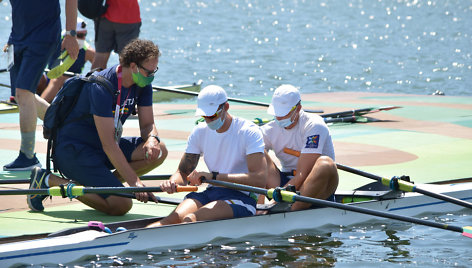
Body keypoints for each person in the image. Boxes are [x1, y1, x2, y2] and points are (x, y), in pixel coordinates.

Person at [28, 39, 168, 216]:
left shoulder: (142, 84)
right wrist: (134, 182)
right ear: (133, 67)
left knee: (159, 150)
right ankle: (50, 180)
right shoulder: (101, 87)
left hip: (101, 149)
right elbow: (109, 144)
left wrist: (152, 139)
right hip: (74, 152)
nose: (152, 76)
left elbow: (148, 125)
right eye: (149, 72)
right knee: (121, 205)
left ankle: (107, 186)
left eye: (155, 71)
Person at [146, 85, 267, 228]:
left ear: (226, 107)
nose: (208, 120)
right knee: (171, 221)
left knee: (190, 220)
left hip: (242, 198)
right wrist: (172, 182)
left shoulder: (248, 132)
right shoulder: (200, 132)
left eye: (212, 116)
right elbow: (182, 173)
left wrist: (214, 177)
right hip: (212, 192)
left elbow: (260, 179)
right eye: (204, 116)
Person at [3, 0, 79, 171]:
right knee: (21, 95)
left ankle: (28, 156)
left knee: (24, 92)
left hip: (43, 37)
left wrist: (71, 34)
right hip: (17, 37)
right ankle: (66, 125)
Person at [260, 84, 339, 211]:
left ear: (298, 108)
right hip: (285, 184)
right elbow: (256, 168)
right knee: (257, 154)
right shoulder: (268, 130)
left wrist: (273, 202)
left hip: (315, 187)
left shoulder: (314, 125)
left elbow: (303, 174)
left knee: (325, 164)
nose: (279, 118)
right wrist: (259, 206)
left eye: (284, 114)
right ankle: (258, 210)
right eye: (276, 114)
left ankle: (293, 211)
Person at [37, 17, 96, 103]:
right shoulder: (55, 41)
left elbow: (99, 72)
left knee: (58, 78)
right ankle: (20, 98)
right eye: (80, 35)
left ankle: (38, 107)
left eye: (85, 35)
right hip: (50, 79)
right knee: (37, 77)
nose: (83, 38)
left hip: (70, 83)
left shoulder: (88, 51)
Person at [91, 0, 141, 70]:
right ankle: (122, 80)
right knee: (126, 60)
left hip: (104, 15)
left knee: (100, 56)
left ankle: (94, 80)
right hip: (128, 17)